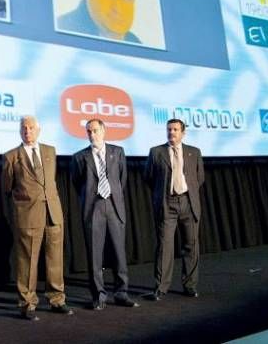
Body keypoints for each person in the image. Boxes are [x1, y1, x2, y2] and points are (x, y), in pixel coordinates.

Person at [2, 116, 73, 320]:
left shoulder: (50, 151)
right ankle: (27, 303)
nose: (27, 130)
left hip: (53, 212)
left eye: (31, 127)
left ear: (38, 130)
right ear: (19, 131)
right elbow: (7, 187)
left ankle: (57, 299)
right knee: (27, 261)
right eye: (23, 127)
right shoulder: (11, 156)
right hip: (28, 215)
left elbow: (50, 182)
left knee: (55, 259)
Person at [70, 119, 138, 310]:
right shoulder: (79, 157)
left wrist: (112, 195)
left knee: (119, 252)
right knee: (95, 255)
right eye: (89, 132)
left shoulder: (117, 152)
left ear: (104, 130)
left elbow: (121, 180)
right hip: (93, 209)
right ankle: (98, 295)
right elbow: (77, 183)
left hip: (114, 206)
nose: (92, 135)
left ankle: (121, 293)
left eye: (95, 131)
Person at [143, 119, 205, 300]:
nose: (171, 132)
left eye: (175, 130)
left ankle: (190, 285)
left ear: (183, 133)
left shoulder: (194, 152)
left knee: (191, 246)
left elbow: (199, 178)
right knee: (165, 247)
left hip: (188, 202)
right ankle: (161, 287)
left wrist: (186, 194)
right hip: (166, 203)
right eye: (169, 129)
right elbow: (148, 177)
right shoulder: (156, 152)